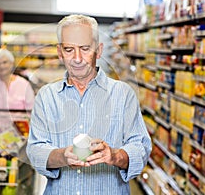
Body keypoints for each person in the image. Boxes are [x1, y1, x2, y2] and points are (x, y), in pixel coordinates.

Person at [26, 14, 152, 194]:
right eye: (69, 49)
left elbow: (140, 149)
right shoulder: (46, 96)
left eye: (85, 48)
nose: (77, 58)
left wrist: (115, 155)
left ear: (99, 51)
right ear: (60, 52)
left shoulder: (123, 95)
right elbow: (35, 150)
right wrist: (62, 156)